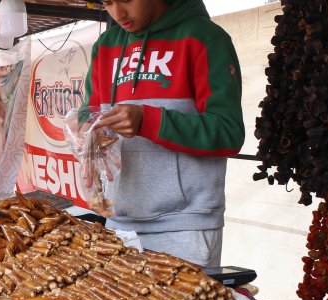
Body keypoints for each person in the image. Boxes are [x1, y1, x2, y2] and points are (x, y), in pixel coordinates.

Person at [86, 0, 244, 267]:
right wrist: (88, 139)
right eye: (107, 2)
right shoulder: (105, 46)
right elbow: (87, 115)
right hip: (117, 223)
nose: (118, 13)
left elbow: (228, 132)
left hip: (185, 227)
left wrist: (148, 120)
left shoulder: (205, 38)